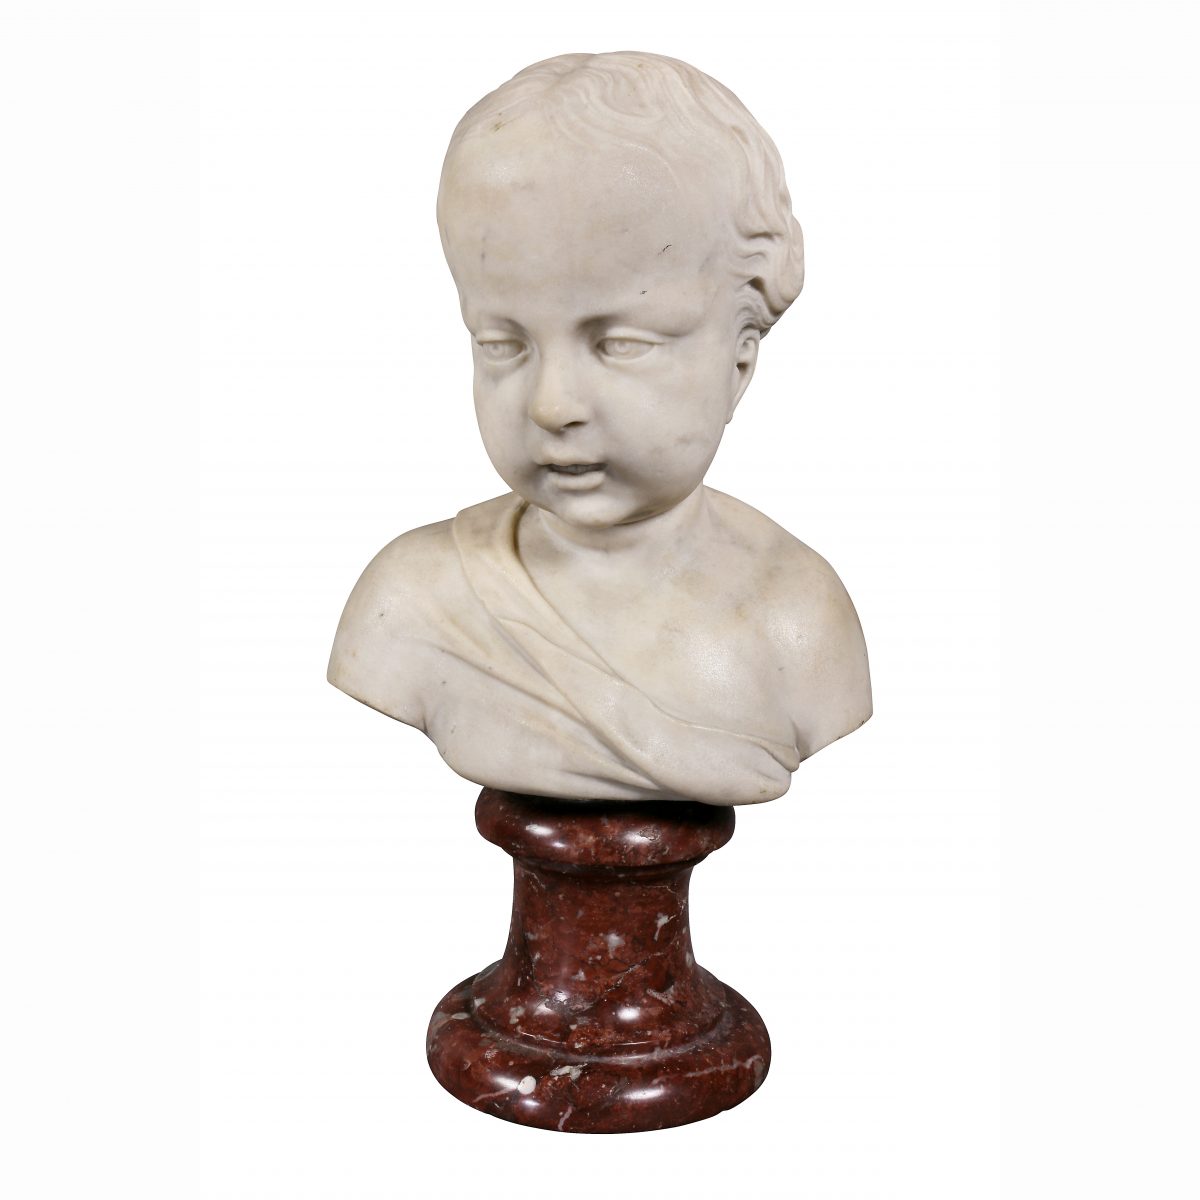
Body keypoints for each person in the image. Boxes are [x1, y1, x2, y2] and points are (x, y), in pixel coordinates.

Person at [328, 51, 871, 805]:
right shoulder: (414, 604)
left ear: (740, 357)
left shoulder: (794, 622)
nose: (552, 405)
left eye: (620, 344)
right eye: (503, 344)